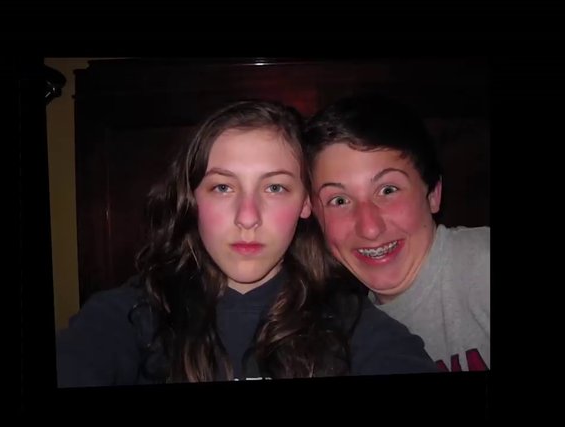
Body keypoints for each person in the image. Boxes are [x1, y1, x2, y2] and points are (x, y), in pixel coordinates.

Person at [56, 99, 438, 387]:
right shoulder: (130, 315)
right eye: (223, 187)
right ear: (193, 199)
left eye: (275, 187)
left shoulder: (352, 323)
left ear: (305, 203)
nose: (248, 217)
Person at [303, 94, 490, 372]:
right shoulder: (346, 332)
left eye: (388, 190)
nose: (369, 228)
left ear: (433, 194)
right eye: (339, 200)